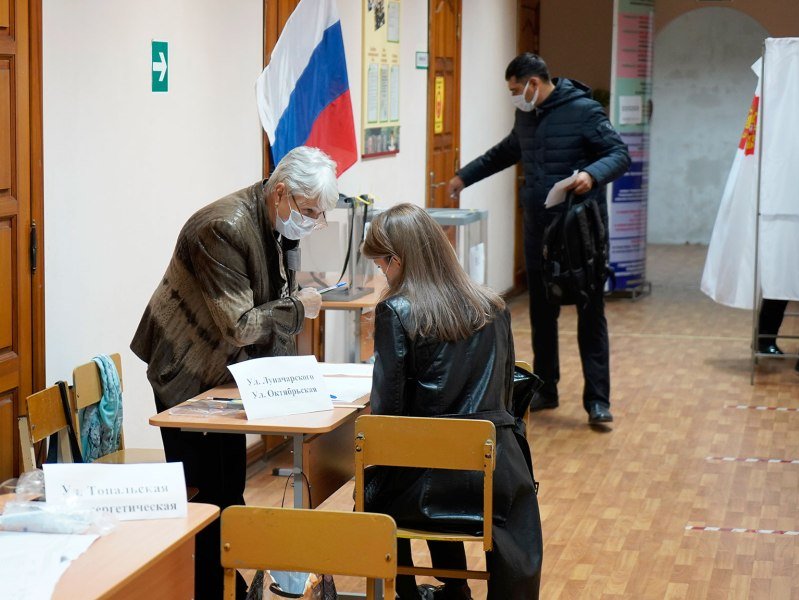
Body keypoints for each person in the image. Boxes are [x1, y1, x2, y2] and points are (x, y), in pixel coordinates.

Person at [130, 146, 338, 600]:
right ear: (280, 192)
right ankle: (214, 588)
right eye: (308, 212)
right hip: (184, 370)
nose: (311, 222)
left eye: (318, 216)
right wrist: (298, 309)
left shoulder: (276, 223)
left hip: (224, 374)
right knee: (205, 497)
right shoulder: (221, 228)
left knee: (230, 488)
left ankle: (229, 586)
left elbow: (274, 300)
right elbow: (241, 324)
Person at [361, 203, 543, 600]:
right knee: (435, 453)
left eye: (380, 265)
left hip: (430, 490)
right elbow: (507, 391)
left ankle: (411, 593)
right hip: (499, 479)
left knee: (375, 484)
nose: (382, 274)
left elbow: (385, 418)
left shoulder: (396, 311)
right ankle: (454, 587)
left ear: (398, 259)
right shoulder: (494, 305)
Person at [447, 52, 630, 426]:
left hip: (580, 232)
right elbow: (506, 152)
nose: (514, 96)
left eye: (516, 89)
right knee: (541, 312)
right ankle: (547, 389)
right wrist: (464, 177)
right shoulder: (526, 115)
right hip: (538, 229)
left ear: (533, 83)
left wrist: (592, 175)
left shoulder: (585, 111)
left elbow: (619, 153)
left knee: (589, 312)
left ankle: (598, 400)